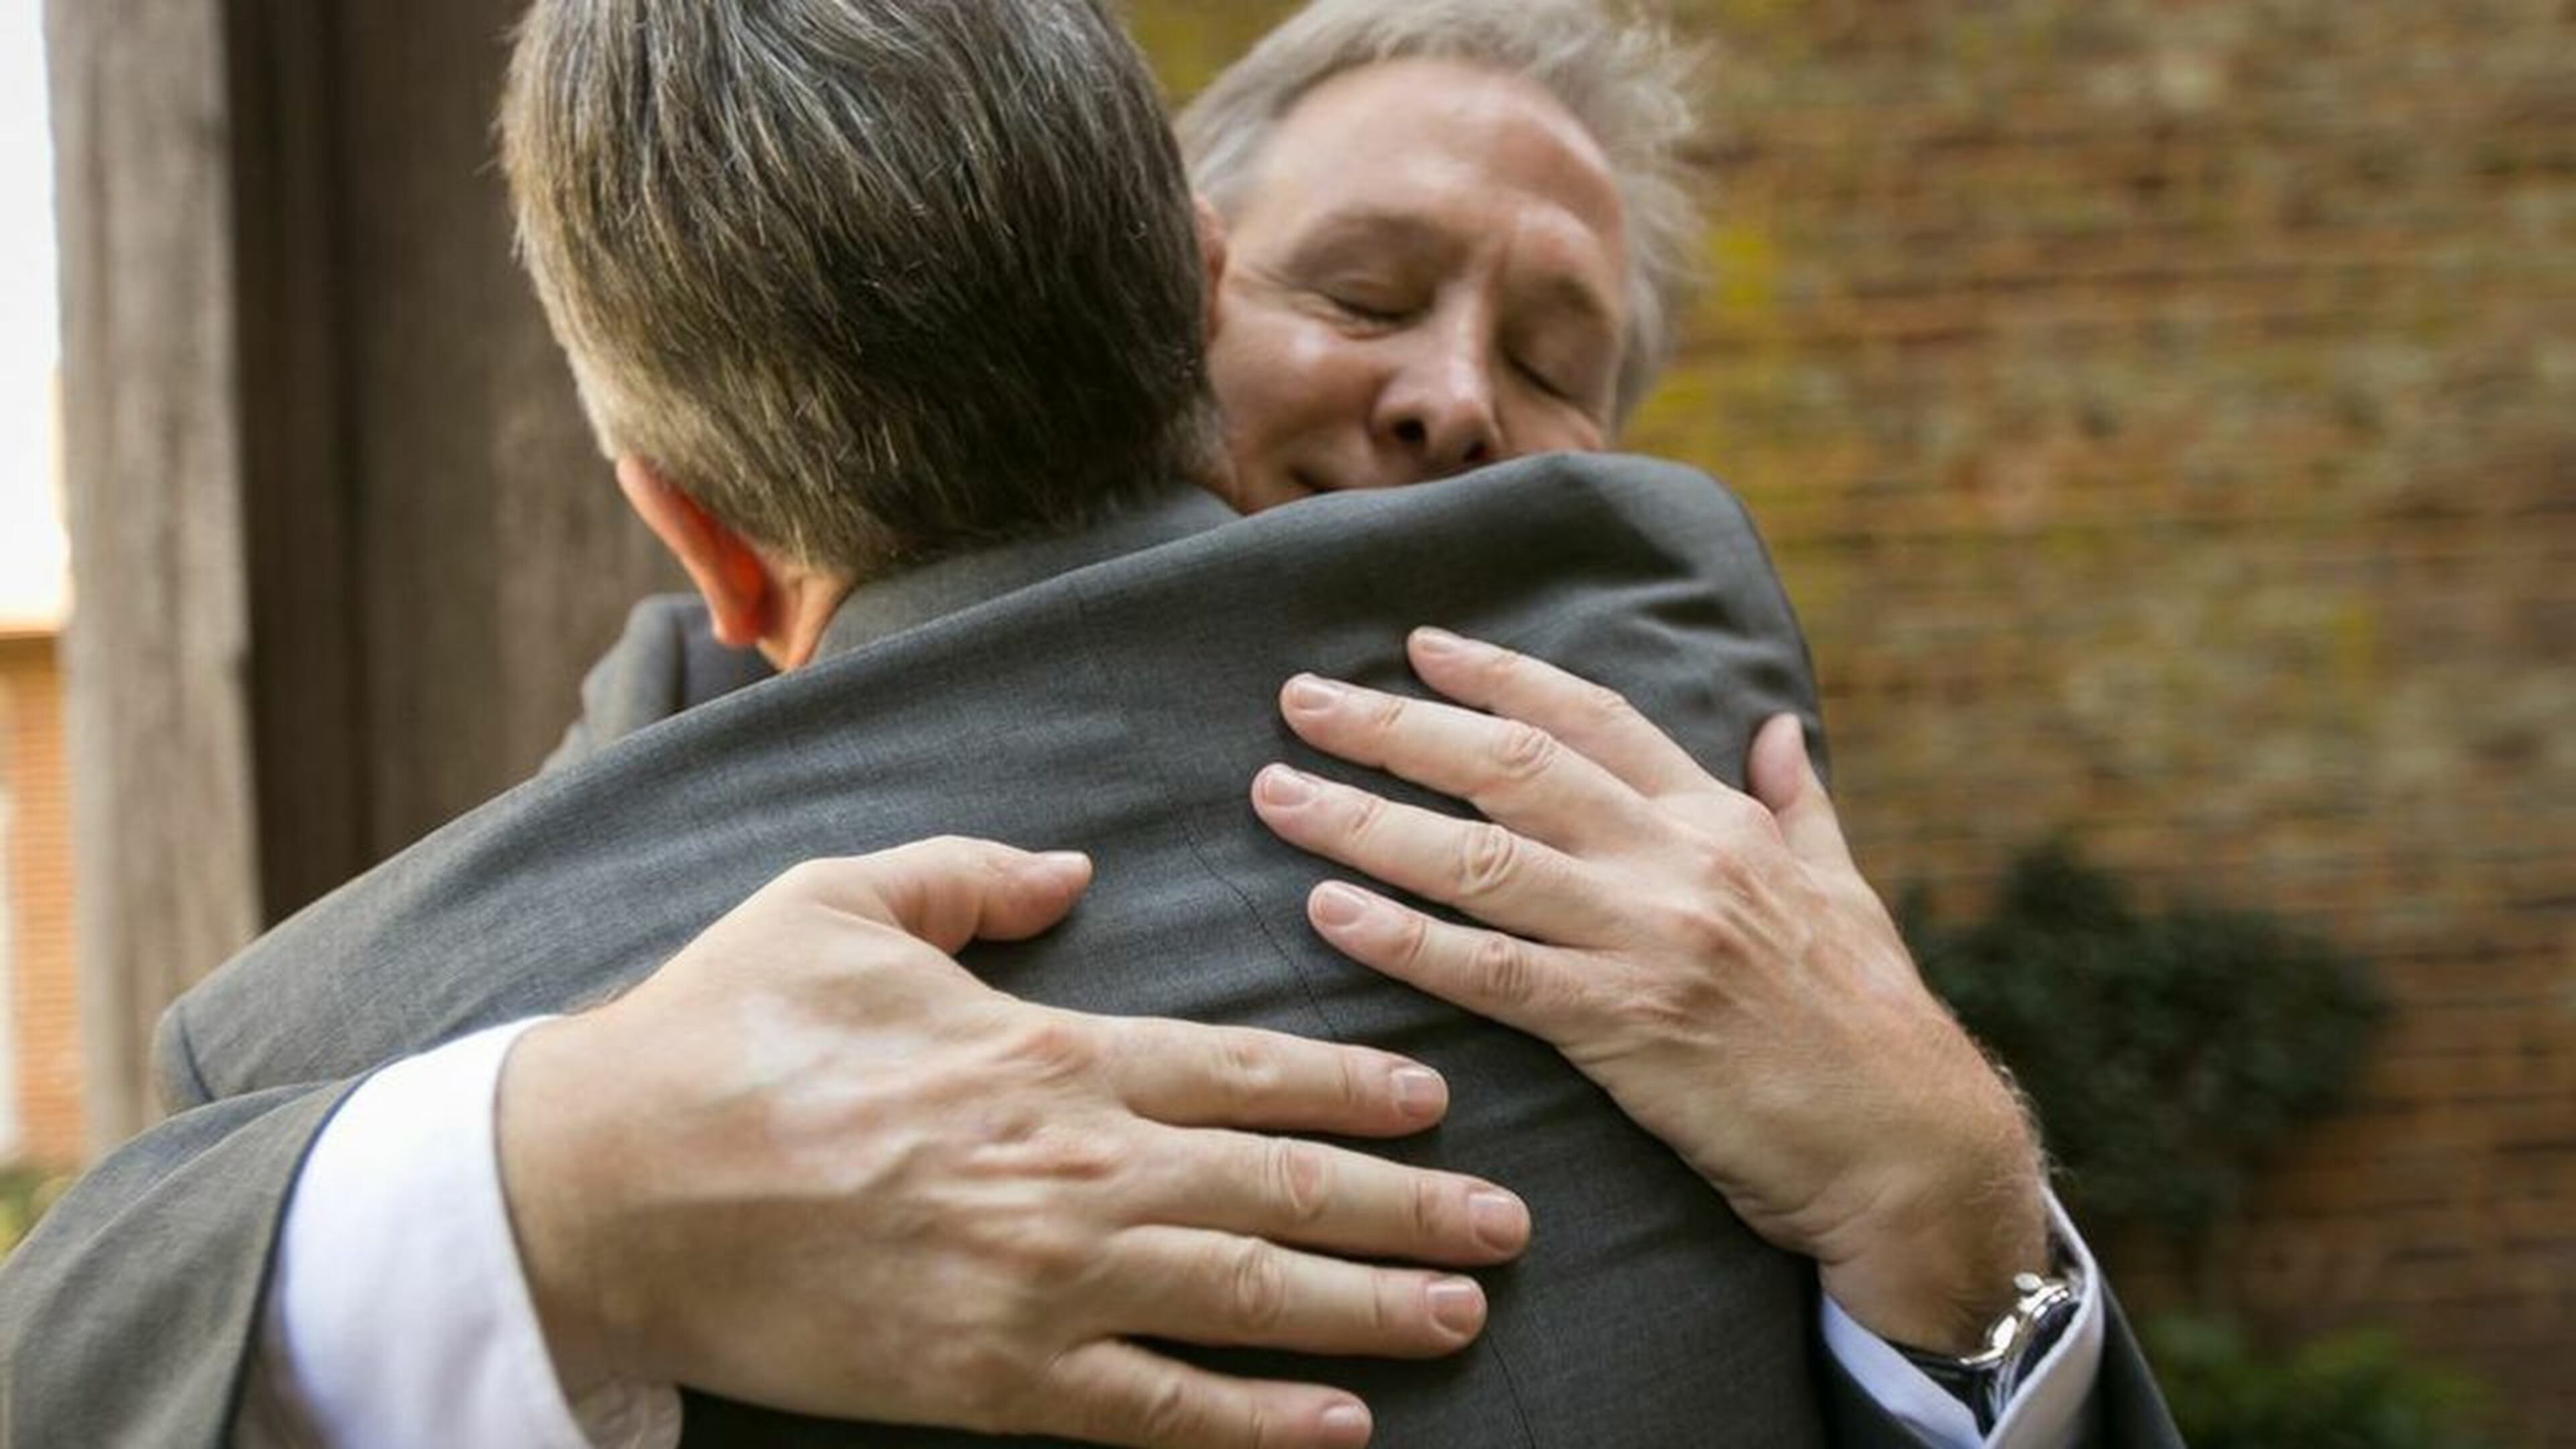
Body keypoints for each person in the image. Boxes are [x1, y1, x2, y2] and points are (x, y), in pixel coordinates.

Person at [0, 4, 2176, 1448]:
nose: (1444, 395)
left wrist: (1961, 1213)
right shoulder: (596, 831)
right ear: (1182, 281)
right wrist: (548, 1179)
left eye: (1553, 354)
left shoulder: (1686, 789)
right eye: (1362, 289)